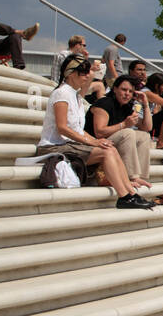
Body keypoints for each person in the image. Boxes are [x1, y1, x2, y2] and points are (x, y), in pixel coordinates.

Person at [37, 55, 154, 210]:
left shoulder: (75, 95)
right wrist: (92, 141)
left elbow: (78, 130)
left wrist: (96, 141)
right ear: (71, 73)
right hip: (53, 146)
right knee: (107, 152)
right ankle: (124, 196)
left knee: (109, 148)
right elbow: (62, 128)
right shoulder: (62, 93)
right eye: (83, 72)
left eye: (87, 72)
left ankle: (131, 194)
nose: (87, 75)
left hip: (68, 144)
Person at [88, 74, 154, 188]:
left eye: (131, 91)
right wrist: (124, 125)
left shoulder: (126, 107)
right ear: (115, 89)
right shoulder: (104, 103)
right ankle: (130, 176)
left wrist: (146, 105)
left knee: (143, 136)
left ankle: (140, 176)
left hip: (110, 142)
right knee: (128, 133)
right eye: (124, 89)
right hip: (93, 144)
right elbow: (99, 132)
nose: (127, 94)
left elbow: (147, 127)